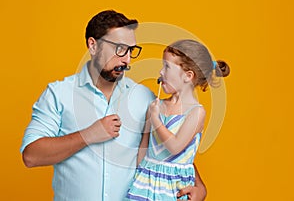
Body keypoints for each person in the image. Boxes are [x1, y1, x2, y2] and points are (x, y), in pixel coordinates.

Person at [20, 10, 207, 201]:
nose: (126, 59)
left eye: (130, 50)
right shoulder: (58, 94)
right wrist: (88, 135)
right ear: (93, 46)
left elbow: (165, 150)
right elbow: (31, 156)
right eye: (119, 48)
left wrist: (199, 186)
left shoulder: (145, 98)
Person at [126, 39, 230, 200]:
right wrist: (137, 175)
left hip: (172, 187)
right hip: (145, 183)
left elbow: (175, 146)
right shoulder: (156, 106)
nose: (161, 72)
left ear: (188, 76)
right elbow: (144, 147)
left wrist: (156, 120)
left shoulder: (196, 112)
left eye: (167, 67)